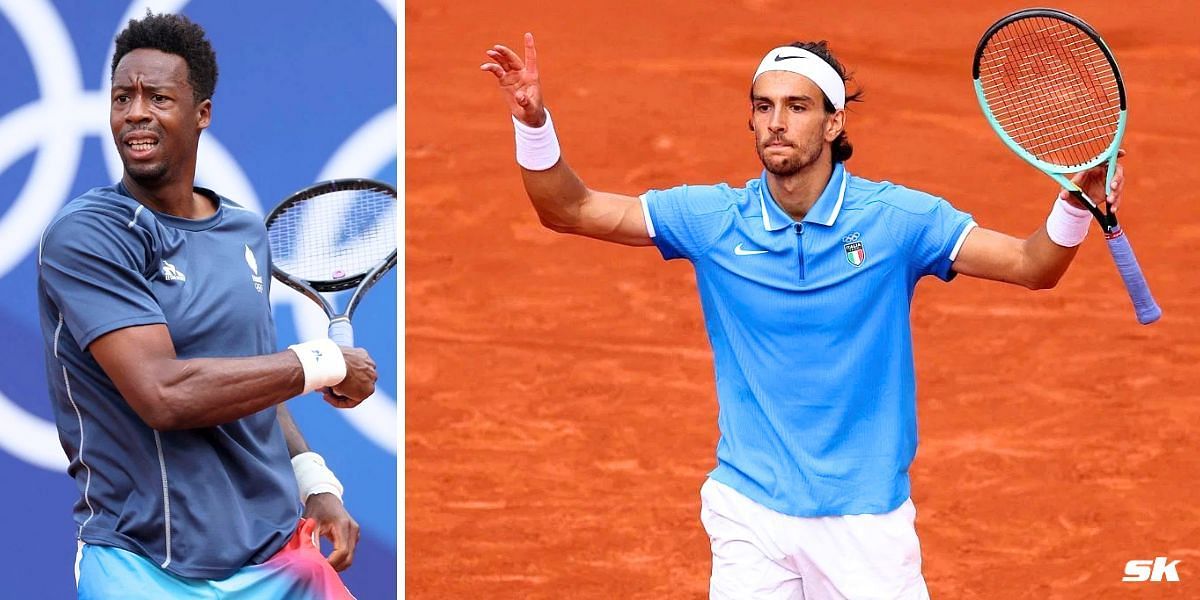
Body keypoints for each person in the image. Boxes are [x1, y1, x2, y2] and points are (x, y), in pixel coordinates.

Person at [481, 33, 1123, 599]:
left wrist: (1074, 203)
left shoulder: (899, 222)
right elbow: (570, 210)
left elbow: (1032, 265)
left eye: (797, 106)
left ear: (835, 122)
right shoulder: (711, 220)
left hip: (864, 520)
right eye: (764, 107)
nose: (777, 123)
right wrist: (533, 122)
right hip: (749, 508)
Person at [36, 12, 377, 599]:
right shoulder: (87, 236)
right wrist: (323, 362)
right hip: (143, 567)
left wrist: (313, 480)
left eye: (158, 97)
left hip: (277, 559)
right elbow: (164, 395)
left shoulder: (243, 230)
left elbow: (248, 374)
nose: (136, 112)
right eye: (123, 97)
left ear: (203, 114)